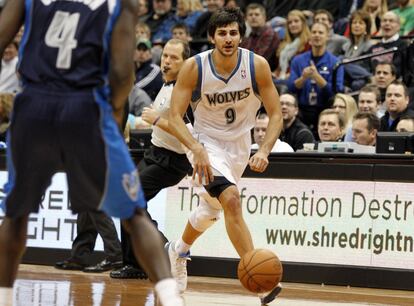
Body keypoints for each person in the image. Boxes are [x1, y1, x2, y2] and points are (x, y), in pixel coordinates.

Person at [0, 1, 183, 305]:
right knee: (135, 215)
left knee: (17, 216)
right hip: (87, 107)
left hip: (34, 106)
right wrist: (110, 115)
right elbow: (124, 73)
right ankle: (170, 298)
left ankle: (4, 297)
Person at [167, 7, 283, 304]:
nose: (228, 38)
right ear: (212, 37)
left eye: (233, 32)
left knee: (212, 209)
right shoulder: (195, 67)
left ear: (240, 36)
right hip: (205, 144)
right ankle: (260, 281)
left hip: (240, 146)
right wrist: (195, 148)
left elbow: (276, 114)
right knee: (230, 199)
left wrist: (265, 149)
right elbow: (174, 116)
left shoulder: (256, 65)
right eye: (222, 33)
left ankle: (178, 250)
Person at [111, 39, 193, 280]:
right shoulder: (166, 84)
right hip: (154, 152)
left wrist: (158, 120)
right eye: (165, 56)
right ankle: (134, 264)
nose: (166, 61)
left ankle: (166, 249)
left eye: (174, 58)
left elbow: (189, 133)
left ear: (185, 62)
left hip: (172, 160)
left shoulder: (185, 90)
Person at [288, 22, 344, 135]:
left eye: (321, 32)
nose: (317, 35)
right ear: (309, 36)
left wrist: (317, 77)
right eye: (314, 32)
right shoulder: (298, 60)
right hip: (302, 110)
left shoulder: (335, 62)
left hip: (325, 110)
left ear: (327, 36)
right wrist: (303, 78)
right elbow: (291, 87)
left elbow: (336, 92)